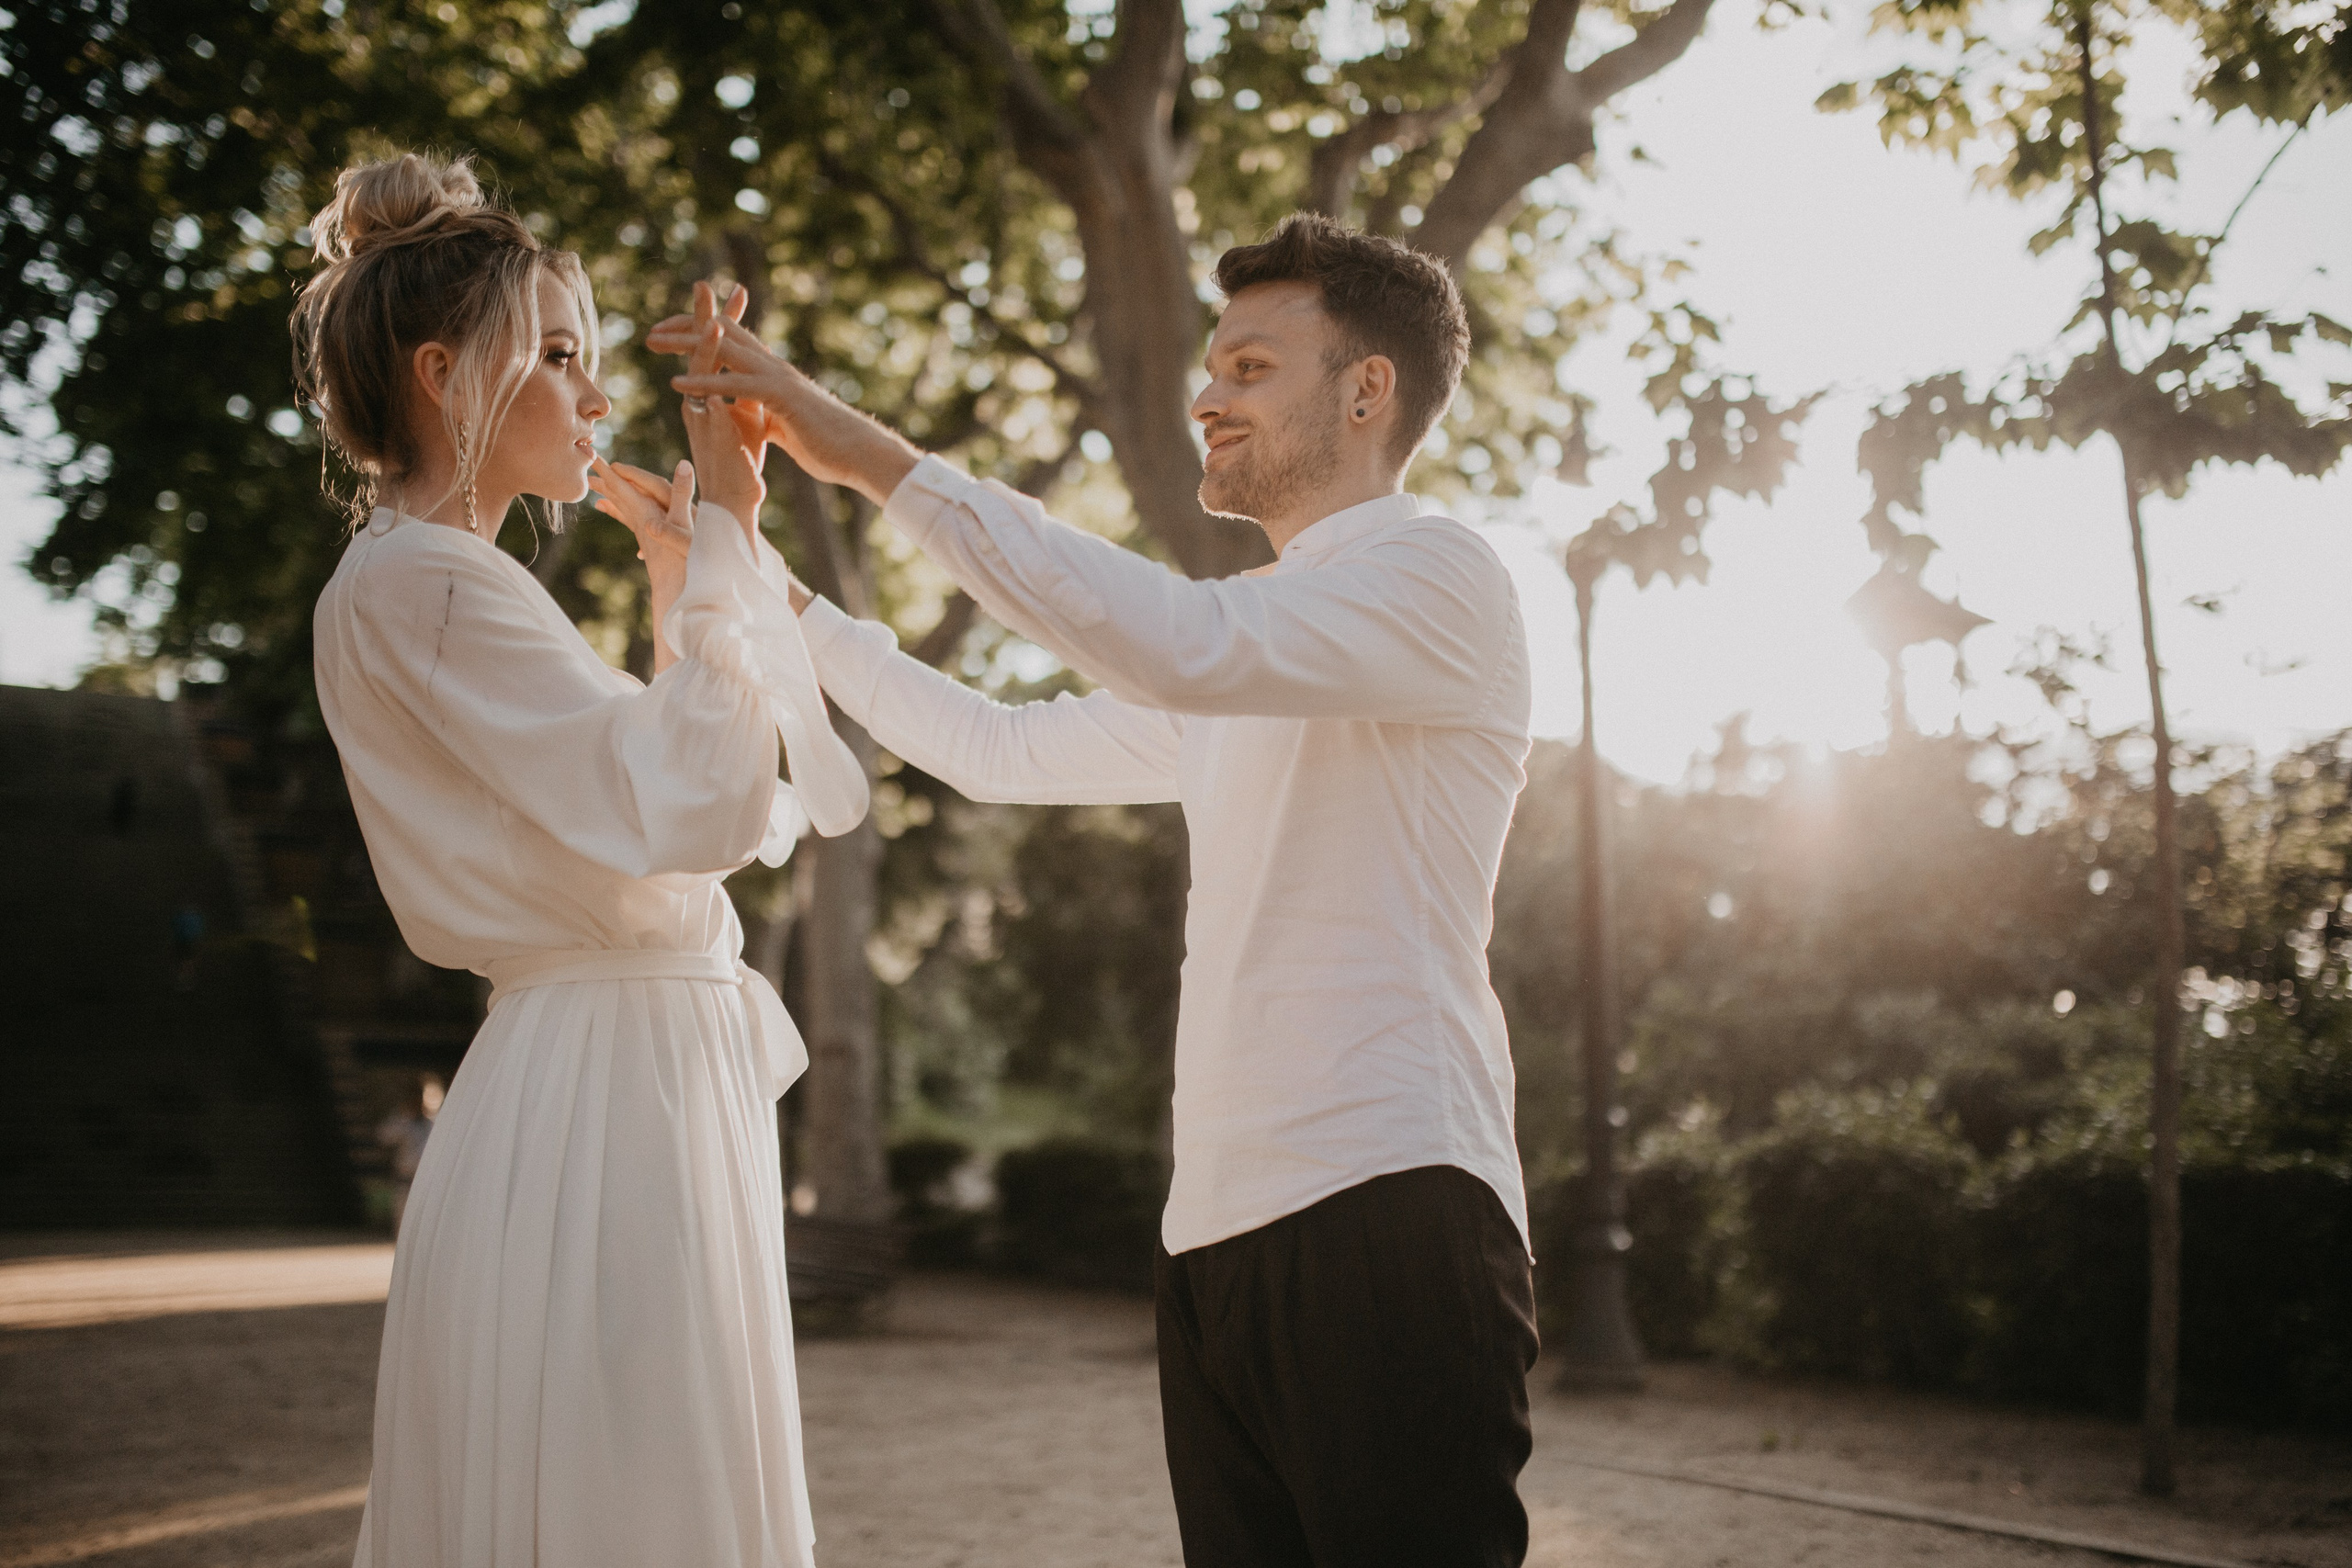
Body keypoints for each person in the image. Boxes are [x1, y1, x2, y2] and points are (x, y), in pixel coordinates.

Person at [658, 213, 1539, 1566]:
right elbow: (994, 748)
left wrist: (867, 455)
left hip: (1391, 1201)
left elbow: (1177, 639)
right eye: (1213, 366)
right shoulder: (1266, 649)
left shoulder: (1440, 578)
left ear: (1368, 391)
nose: (1208, 393)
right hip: (1215, 1238)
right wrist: (768, 593)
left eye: (1250, 367)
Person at [300, 152, 866, 1568]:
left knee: (628, 1484)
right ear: (445, 374)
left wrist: (682, 593)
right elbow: (686, 805)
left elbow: (653, 793)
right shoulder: (428, 582)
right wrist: (729, 529)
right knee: (634, 1492)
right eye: (558, 355)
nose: (597, 395)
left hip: (619, 1064)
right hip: (603, 1086)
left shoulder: (428, 580)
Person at [373, 1073, 442, 1235]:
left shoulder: (437, 1123)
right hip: (406, 1183)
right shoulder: (403, 1121)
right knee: (404, 1231)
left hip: (429, 1185)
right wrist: (405, 1116)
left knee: (429, 1231)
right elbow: (384, 1136)